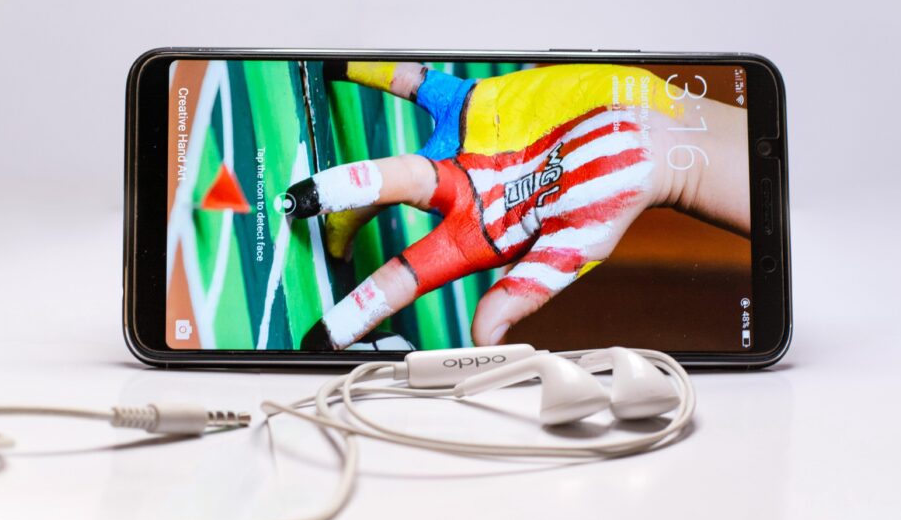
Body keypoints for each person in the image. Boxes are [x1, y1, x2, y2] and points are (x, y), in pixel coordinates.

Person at [280, 61, 750, 351]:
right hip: (569, 121)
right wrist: (657, 130)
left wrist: (656, 142)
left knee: (426, 175)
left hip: (591, 129)